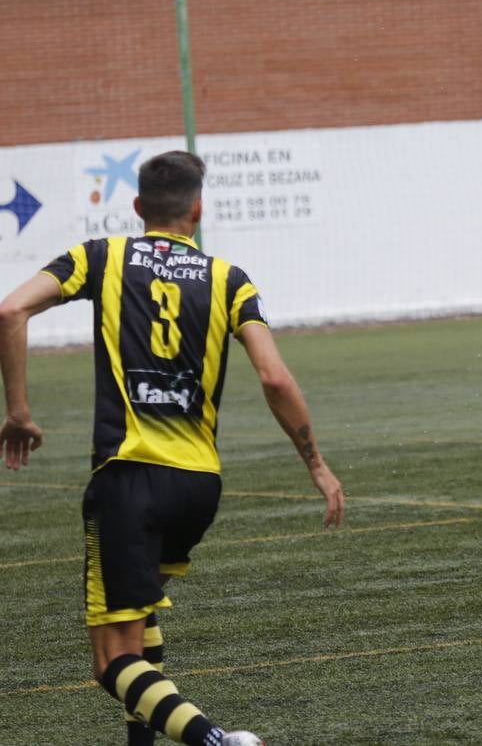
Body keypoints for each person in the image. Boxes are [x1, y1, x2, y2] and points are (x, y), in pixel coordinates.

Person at [0, 150, 344, 746]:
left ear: (136, 208)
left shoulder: (100, 257)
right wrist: (316, 465)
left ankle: (216, 741)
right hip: (198, 486)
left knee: (111, 662)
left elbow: (11, 310)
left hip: (129, 478)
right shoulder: (229, 279)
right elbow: (275, 379)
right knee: (140, 618)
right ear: (197, 210)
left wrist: (20, 414)